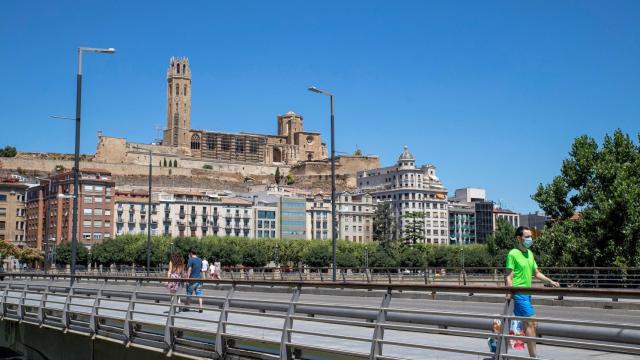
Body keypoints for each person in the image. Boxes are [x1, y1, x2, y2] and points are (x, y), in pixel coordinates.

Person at [505, 226, 560, 359]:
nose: (530, 239)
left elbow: (536, 273)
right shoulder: (513, 253)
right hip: (518, 293)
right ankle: (534, 357)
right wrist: (510, 293)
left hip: (527, 294)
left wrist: (550, 281)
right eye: (527, 237)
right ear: (519, 238)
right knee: (531, 322)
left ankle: (530, 354)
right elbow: (508, 277)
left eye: (531, 236)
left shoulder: (529, 254)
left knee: (533, 324)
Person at [185, 248, 204, 313]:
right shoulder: (200, 260)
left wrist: (187, 278)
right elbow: (201, 269)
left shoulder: (191, 259)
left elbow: (189, 269)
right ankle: (201, 307)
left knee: (189, 293)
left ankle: (187, 307)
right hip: (199, 279)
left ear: (190, 253)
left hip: (192, 279)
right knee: (199, 293)